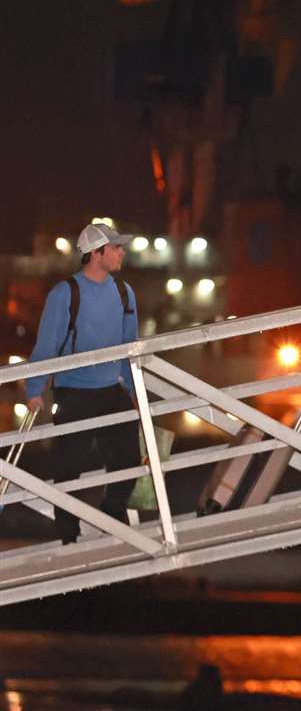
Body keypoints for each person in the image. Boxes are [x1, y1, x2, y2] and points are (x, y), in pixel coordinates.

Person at [26, 221, 141, 544]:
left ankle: (111, 511)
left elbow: (130, 346)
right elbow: (46, 344)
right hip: (74, 391)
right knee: (69, 467)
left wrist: (133, 391)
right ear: (96, 253)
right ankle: (68, 533)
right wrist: (35, 389)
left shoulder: (124, 291)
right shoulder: (65, 293)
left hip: (110, 390)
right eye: (115, 247)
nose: (122, 252)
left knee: (129, 460)